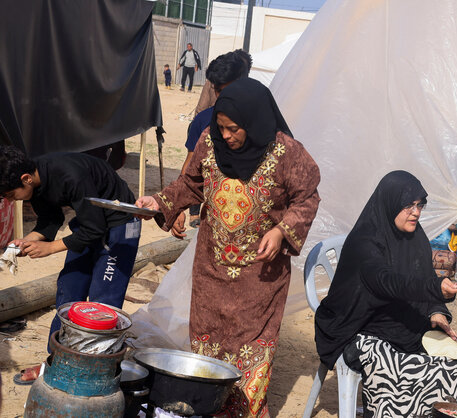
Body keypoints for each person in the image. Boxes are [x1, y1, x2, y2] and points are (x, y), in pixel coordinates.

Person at [135, 77, 320, 417]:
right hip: (212, 265)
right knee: (208, 338)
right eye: (221, 128)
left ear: (253, 121)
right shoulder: (210, 141)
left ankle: (247, 409)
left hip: (261, 275)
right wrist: (159, 202)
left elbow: (307, 197)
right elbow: (190, 184)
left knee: (251, 344)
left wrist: (282, 230)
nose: (228, 136)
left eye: (234, 129)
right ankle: (212, 405)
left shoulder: (286, 152)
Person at [315, 171, 457, 417]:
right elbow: (387, 282)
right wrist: (434, 287)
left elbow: (423, 279)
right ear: (390, 203)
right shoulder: (365, 242)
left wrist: (437, 311)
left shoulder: (416, 238)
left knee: (452, 363)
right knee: (394, 365)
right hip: (357, 327)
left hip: (400, 323)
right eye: (408, 205)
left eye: (419, 205)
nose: (416, 212)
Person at [0, 146, 141, 385]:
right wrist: (29, 241)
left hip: (119, 224)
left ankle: (93, 371)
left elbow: (95, 229)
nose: (11, 200)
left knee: (102, 305)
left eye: (12, 195)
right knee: (68, 290)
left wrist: (50, 248)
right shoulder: (36, 180)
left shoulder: (69, 175)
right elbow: (51, 219)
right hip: (88, 223)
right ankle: (56, 362)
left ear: (25, 179)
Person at [177, 49, 253, 230]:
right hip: (213, 230)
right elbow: (190, 168)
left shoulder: (264, 125)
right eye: (217, 90)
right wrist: (176, 205)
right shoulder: (204, 123)